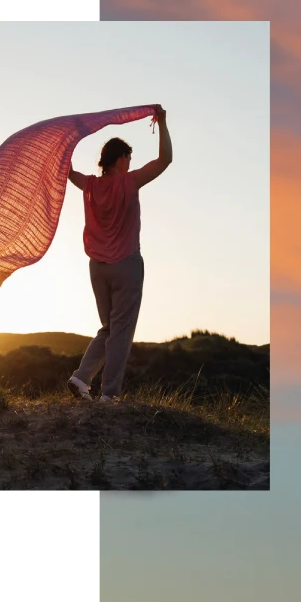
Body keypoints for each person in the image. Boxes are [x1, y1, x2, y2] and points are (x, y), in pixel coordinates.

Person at [65, 105, 172, 403]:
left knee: (109, 328)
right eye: (129, 158)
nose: (130, 163)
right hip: (126, 264)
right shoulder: (129, 181)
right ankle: (109, 395)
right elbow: (165, 160)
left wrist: (63, 145)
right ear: (121, 158)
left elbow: (68, 172)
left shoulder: (89, 185)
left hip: (97, 267)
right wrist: (162, 123)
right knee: (121, 331)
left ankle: (80, 378)